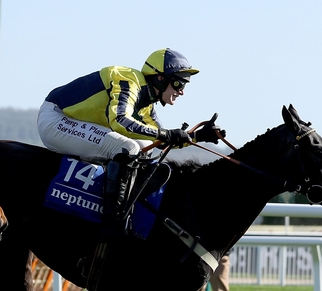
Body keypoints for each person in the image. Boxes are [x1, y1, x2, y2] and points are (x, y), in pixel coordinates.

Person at [37, 48, 223, 224]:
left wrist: (197, 136)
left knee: (144, 147)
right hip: (56, 119)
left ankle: (120, 204)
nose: (181, 91)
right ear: (160, 78)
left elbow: (160, 141)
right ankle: (113, 221)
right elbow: (119, 120)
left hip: (73, 121)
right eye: (178, 83)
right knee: (128, 148)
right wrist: (164, 134)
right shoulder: (129, 81)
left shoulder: (147, 102)